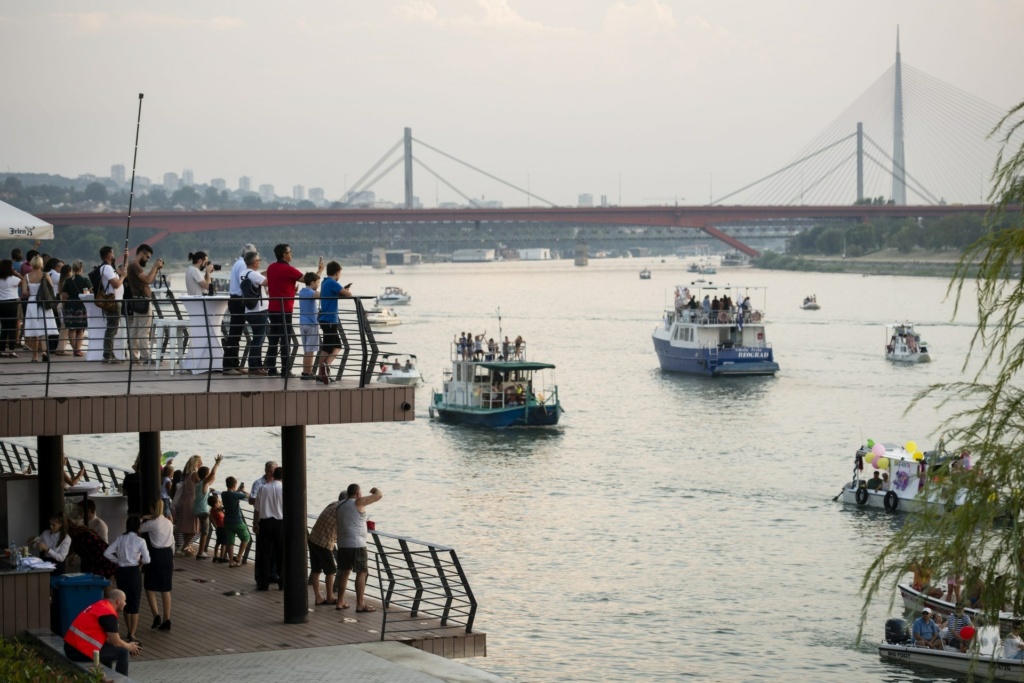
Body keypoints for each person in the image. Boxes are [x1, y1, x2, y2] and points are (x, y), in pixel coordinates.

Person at [266, 244, 324, 377]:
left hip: (272, 307)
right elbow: (309, 281)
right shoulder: (289, 270)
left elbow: (279, 283)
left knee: (273, 339)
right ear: (284, 255)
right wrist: (320, 270)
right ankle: (286, 370)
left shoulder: (271, 267)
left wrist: (291, 290)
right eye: (290, 252)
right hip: (284, 308)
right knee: (286, 339)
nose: (292, 254)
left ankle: (271, 368)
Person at [63, 589, 140, 675]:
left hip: (72, 647)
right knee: (123, 652)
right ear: (118, 601)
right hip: (79, 651)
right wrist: (129, 647)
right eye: (124, 601)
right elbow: (116, 642)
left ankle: (108, 675)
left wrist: (128, 645)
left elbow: (110, 640)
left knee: (112, 648)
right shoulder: (108, 613)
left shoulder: (101, 606)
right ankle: (122, 680)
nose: (125, 603)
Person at [335, 483, 383, 612]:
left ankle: (340, 601)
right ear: (357, 494)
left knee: (344, 572)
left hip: (342, 544)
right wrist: (375, 490)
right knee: (362, 572)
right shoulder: (358, 502)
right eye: (360, 493)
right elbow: (378, 496)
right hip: (357, 544)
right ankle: (360, 604)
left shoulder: (339, 505)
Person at [103, 516, 151, 644]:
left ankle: (129, 629)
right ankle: (132, 633)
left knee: (124, 601)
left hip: (121, 571)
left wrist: (118, 561)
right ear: (138, 527)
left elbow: (107, 553)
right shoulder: (140, 541)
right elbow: (147, 560)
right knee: (135, 602)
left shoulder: (120, 538)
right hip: (134, 571)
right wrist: (139, 561)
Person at [125, 244, 163, 364]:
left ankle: (134, 355)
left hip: (136, 300)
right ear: (142, 253)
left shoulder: (132, 264)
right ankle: (145, 356)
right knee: (143, 330)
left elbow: (148, 279)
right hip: (143, 301)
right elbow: (147, 280)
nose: (147, 260)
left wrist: (156, 270)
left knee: (135, 329)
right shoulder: (135, 265)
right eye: (147, 257)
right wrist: (154, 267)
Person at [222, 243, 257, 374]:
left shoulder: (239, 263)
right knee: (235, 333)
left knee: (236, 333)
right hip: (238, 301)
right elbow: (246, 284)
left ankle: (234, 364)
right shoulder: (243, 266)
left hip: (235, 300)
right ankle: (229, 366)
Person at [140, 501, 175, 631]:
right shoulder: (168, 522)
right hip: (167, 554)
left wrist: (143, 518)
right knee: (166, 589)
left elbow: (136, 529)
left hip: (155, 555)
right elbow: (172, 541)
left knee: (149, 587)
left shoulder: (151, 523)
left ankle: (156, 615)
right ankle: (167, 618)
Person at [316, 261, 351, 384]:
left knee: (337, 346)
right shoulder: (332, 282)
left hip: (327, 319)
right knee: (327, 347)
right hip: (330, 319)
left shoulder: (325, 282)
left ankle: (326, 367)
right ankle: (321, 373)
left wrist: (340, 292)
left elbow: (333, 295)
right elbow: (349, 294)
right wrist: (345, 290)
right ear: (337, 272)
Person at [21, 255, 56, 363]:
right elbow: (51, 290)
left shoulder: (26, 276)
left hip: (32, 302)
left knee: (35, 330)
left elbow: (24, 293)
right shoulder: (45, 275)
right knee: (44, 329)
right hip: (43, 302)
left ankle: (35, 356)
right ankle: (44, 352)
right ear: (41, 264)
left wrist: (31, 292)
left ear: (31, 263)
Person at [308, 495, 343, 606]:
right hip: (324, 542)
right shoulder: (342, 509)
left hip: (313, 538)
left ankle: (318, 597)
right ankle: (330, 597)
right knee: (331, 570)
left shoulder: (333, 504)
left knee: (316, 569)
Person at [254, 466, 284, 591]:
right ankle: (282, 582)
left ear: (273, 475)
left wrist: (255, 523)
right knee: (281, 553)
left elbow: (257, 508)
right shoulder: (284, 489)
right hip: (280, 523)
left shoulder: (262, 488)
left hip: (265, 523)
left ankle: (263, 582)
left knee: (264, 553)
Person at [97, 246, 129, 364]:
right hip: (113, 302)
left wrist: (126, 257)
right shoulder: (107, 268)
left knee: (112, 329)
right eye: (113, 252)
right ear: (109, 255)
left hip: (115, 301)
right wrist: (123, 277)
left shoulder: (109, 267)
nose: (114, 254)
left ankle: (110, 354)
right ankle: (107, 355)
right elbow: (116, 284)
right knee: (112, 329)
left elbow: (123, 270)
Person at [240, 251, 269, 376]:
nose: (260, 262)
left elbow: (259, 278)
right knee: (259, 339)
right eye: (259, 260)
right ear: (253, 262)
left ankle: (258, 365)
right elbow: (266, 282)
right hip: (259, 310)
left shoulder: (243, 273)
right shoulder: (254, 274)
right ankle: (254, 367)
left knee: (257, 338)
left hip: (249, 310)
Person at [192, 455, 224, 559]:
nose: (210, 473)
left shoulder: (200, 483)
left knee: (205, 530)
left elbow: (212, 478)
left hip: (196, 509)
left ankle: (201, 550)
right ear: (206, 475)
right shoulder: (204, 483)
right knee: (205, 532)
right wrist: (217, 463)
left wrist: (209, 489)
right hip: (203, 511)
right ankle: (200, 553)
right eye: (208, 472)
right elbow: (213, 474)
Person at [61, 261, 90, 356]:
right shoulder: (85, 280)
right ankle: (78, 350)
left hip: (70, 305)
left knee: (71, 328)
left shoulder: (68, 280)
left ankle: (74, 349)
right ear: (81, 269)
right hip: (81, 305)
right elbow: (88, 293)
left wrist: (64, 305)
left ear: (73, 269)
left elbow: (64, 295)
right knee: (80, 329)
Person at [221, 477, 250, 567]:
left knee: (230, 541)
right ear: (234, 485)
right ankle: (238, 557)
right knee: (246, 538)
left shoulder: (223, 494)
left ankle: (231, 562)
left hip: (227, 521)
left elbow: (233, 494)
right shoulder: (235, 495)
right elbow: (248, 495)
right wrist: (243, 490)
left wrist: (237, 490)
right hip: (237, 521)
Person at [298, 272, 320, 380]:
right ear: (312, 282)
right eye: (317, 282)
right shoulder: (311, 292)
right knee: (311, 350)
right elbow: (319, 295)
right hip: (312, 323)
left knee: (306, 350)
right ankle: (308, 373)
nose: (319, 284)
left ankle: (305, 371)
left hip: (303, 323)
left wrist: (319, 271)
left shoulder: (302, 291)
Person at [0, 259, 23, 357]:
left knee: (4, 328)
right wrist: (16, 273)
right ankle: (11, 350)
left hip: (1, 303)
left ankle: (1, 350)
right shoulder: (13, 278)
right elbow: (25, 281)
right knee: (12, 328)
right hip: (12, 303)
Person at [208, 493, 228, 563]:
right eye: (219, 502)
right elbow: (223, 507)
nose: (220, 502)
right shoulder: (217, 510)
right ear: (215, 504)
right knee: (224, 543)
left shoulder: (212, 510)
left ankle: (215, 556)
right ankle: (221, 557)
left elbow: (221, 504)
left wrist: (217, 497)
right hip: (223, 528)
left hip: (218, 528)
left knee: (218, 543)